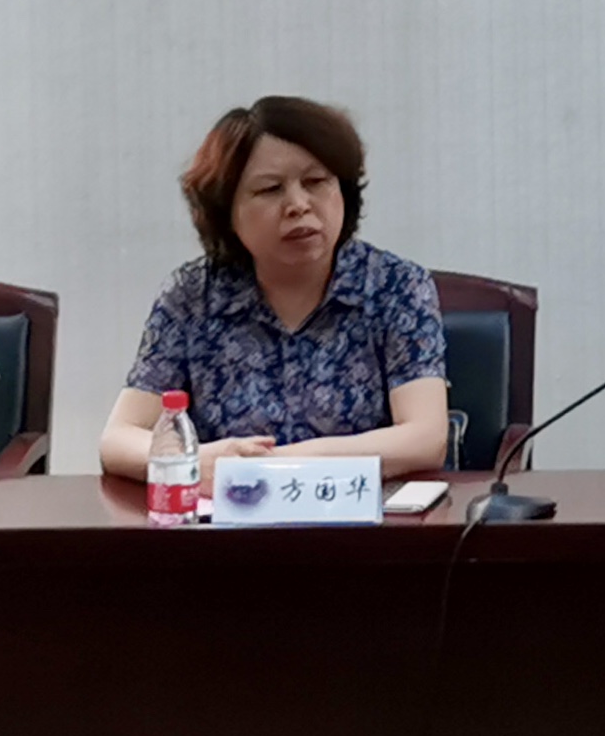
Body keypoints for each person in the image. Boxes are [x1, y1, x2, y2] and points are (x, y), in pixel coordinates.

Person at [97, 97, 450, 485]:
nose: (298, 205)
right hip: (230, 516)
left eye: (316, 182)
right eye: (270, 189)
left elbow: (425, 438)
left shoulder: (395, 287)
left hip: (362, 516)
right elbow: (118, 439)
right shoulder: (192, 296)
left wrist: (271, 465)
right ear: (227, 213)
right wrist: (197, 460)